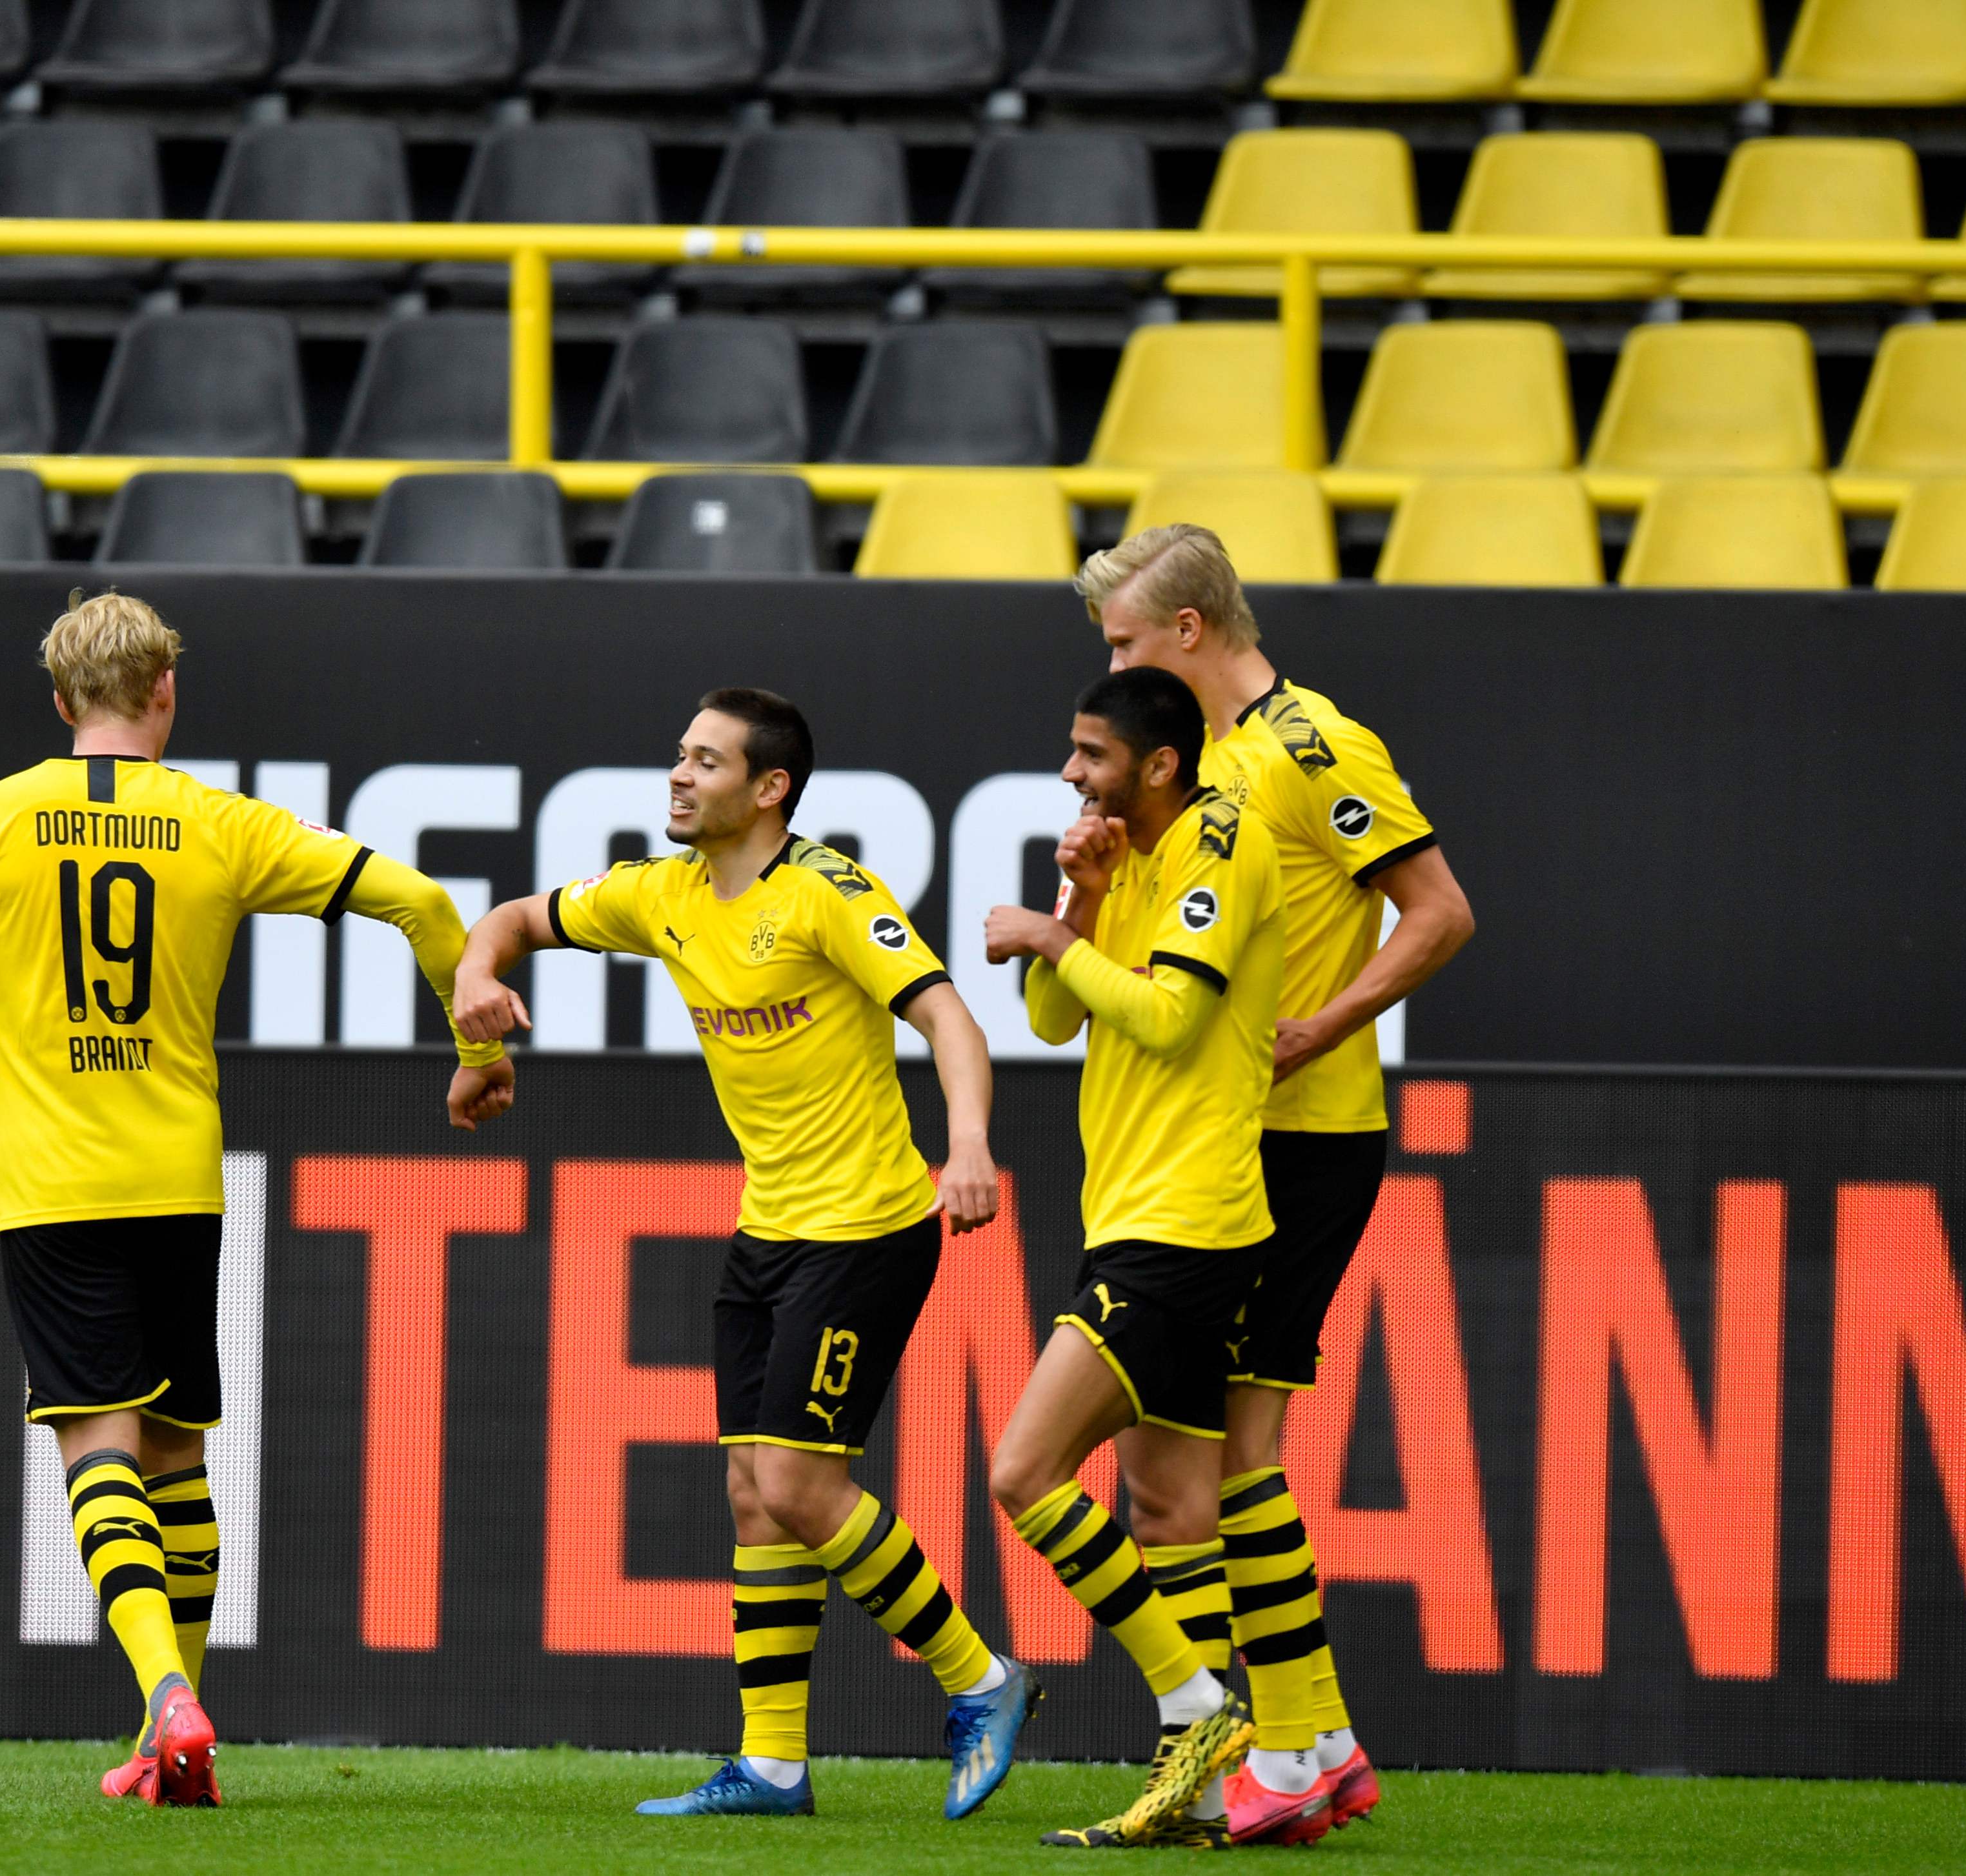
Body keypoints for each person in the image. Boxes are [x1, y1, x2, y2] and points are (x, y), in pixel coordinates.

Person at [0, 592, 511, 1808]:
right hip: (180, 1186)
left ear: (60, 706)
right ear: (167, 694)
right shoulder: (217, 824)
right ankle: (177, 1749)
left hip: (53, 1187)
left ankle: (166, 1696)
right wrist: (474, 1053)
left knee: (94, 1447)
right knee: (176, 1452)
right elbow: (424, 904)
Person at [451, 687, 1037, 1822]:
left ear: (768, 790)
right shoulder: (660, 894)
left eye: (706, 762)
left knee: (799, 1486)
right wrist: (477, 981)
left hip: (867, 1227)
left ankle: (982, 1678)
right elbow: (514, 920)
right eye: (678, 755)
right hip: (768, 1230)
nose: (678, 776)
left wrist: (966, 1147)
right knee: (753, 1497)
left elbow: (952, 1021)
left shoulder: (827, 892)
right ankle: (772, 1764)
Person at [1078, 524, 1475, 1844]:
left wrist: (1325, 1020)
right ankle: (1307, 1741)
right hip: (1212, 1140)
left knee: (1226, 1454)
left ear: (1188, 632)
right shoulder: (1186, 771)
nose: (1116, 667)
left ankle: (1289, 1745)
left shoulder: (1313, 746)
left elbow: (1436, 909)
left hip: (1298, 1136)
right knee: (1181, 1467)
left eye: (1127, 644)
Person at [982, 667, 1287, 1851]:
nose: (1072, 773)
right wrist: (1090, 901)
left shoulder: (1223, 840)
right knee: (1167, 1512)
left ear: (1159, 763)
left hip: (1186, 1222)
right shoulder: (1137, 859)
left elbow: (1169, 1018)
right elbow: (1057, 1022)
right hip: (1138, 1212)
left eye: (1091, 754)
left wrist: (1057, 933)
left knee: (1023, 1472)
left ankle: (1199, 1706)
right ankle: (1198, 1799)